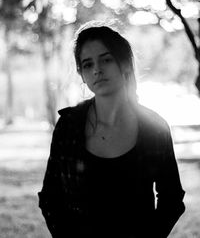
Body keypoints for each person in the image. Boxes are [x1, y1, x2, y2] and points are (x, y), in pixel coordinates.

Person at [38, 21, 185, 238]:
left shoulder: (155, 128)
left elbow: (171, 198)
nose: (97, 70)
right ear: (81, 73)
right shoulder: (68, 126)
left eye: (106, 59)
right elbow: (51, 197)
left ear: (124, 63)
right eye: (87, 64)